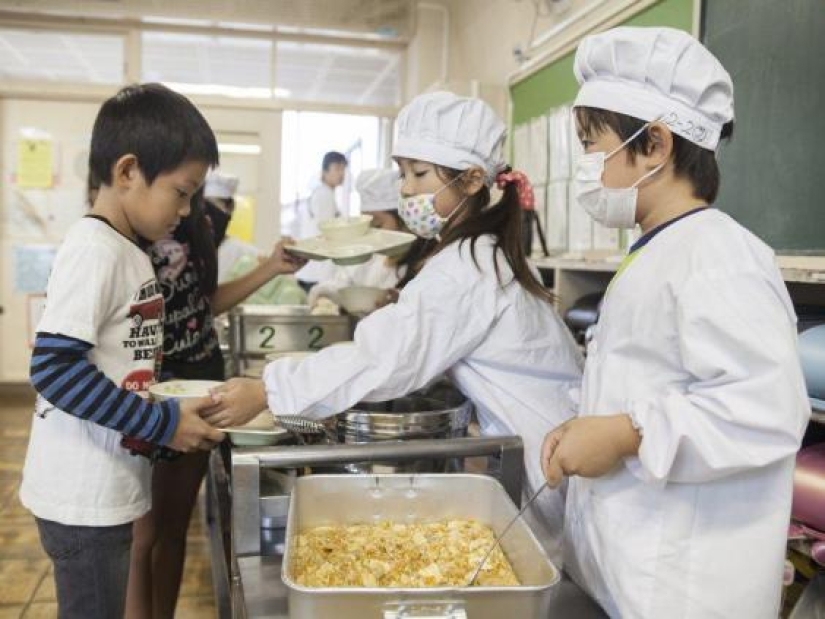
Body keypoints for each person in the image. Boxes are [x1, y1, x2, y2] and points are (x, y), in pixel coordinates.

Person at [204, 91, 584, 558]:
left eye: (418, 174)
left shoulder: (466, 267)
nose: (405, 189)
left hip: (545, 458)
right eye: (403, 173)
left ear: (470, 180)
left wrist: (267, 389)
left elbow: (384, 358)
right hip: (543, 448)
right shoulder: (475, 254)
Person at [539, 27, 810, 618]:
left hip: (686, 590)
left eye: (593, 144)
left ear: (655, 145)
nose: (585, 165)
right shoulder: (658, 250)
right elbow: (655, 383)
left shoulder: (718, 257)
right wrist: (589, 422)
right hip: (628, 576)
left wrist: (625, 433)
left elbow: (765, 409)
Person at [19, 83, 225, 619]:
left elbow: (117, 365)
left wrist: (169, 415)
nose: (185, 210)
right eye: (181, 192)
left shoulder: (127, 250)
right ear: (128, 171)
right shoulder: (95, 250)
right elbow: (53, 369)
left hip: (105, 489)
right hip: (80, 498)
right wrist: (160, 423)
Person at [126, 184, 304, 618]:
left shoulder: (198, 226)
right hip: (147, 387)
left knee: (173, 527)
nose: (192, 204)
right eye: (184, 187)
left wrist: (269, 269)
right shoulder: (127, 232)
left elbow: (203, 306)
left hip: (201, 381)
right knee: (140, 534)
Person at [307, 167, 406, 308]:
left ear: (403, 220)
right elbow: (343, 282)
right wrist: (323, 293)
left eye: (377, 225)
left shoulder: (418, 264)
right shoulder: (370, 256)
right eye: (366, 226)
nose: (372, 233)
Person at [296, 150, 348, 289]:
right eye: (337, 168)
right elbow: (328, 232)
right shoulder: (324, 194)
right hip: (317, 272)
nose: (341, 173)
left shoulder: (323, 192)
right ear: (325, 171)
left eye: (343, 169)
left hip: (312, 270)